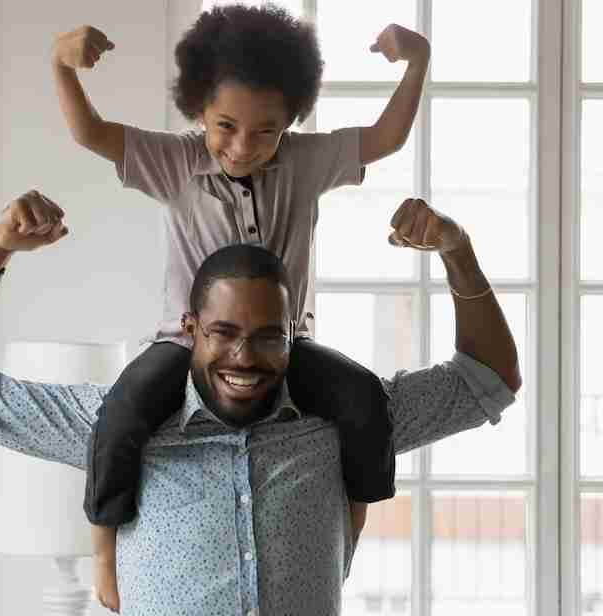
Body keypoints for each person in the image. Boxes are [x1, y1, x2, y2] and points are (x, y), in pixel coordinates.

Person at [0, 190, 521, 615]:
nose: (243, 357)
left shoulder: (344, 420)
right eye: (223, 333)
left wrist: (457, 248)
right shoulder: (118, 423)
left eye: (266, 337)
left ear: (293, 336)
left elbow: (489, 379)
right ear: (190, 329)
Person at [49, 5, 432, 607]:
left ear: (291, 122)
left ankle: (349, 531)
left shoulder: (306, 163)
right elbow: (89, 132)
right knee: (121, 414)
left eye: (265, 130)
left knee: (362, 399)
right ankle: (102, 549)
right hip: (187, 347)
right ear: (198, 108)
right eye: (225, 125)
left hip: (286, 347)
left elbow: (385, 138)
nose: (243, 145)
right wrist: (62, 67)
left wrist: (417, 64)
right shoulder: (173, 162)